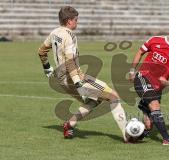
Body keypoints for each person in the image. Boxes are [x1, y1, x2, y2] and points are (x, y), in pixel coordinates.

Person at [38, 6, 128, 142]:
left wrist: (46, 67)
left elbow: (41, 51)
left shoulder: (54, 32)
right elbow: (70, 61)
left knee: (94, 100)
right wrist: (77, 81)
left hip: (61, 80)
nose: (77, 22)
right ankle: (128, 136)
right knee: (113, 96)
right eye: (76, 20)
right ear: (69, 21)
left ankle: (70, 123)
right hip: (75, 78)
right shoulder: (70, 36)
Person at [129, 20, 169, 145]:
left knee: (148, 125)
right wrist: (132, 71)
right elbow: (140, 51)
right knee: (155, 106)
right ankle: (167, 139)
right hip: (143, 77)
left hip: (158, 86)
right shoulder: (155, 40)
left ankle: (133, 134)